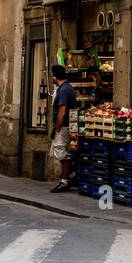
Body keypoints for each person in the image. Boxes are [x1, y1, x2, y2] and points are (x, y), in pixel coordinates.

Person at [49, 64, 77, 192]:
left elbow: (62, 111)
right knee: (62, 153)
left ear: (55, 76)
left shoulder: (64, 90)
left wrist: (57, 128)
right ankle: (69, 176)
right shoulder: (65, 88)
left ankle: (65, 180)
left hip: (64, 126)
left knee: (63, 153)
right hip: (65, 125)